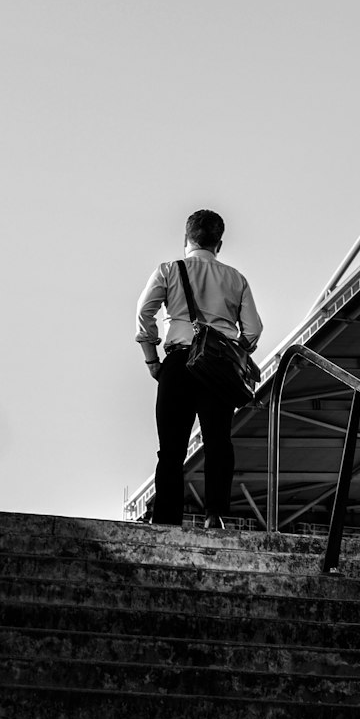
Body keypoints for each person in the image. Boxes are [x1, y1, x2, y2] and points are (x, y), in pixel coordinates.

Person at [136, 209, 263, 531]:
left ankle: (166, 520)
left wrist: (152, 360)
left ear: (186, 239)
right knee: (218, 441)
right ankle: (214, 515)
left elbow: (144, 314)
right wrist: (235, 349)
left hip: (178, 362)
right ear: (219, 244)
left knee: (171, 448)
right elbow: (253, 330)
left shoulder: (168, 270)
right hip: (218, 368)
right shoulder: (236, 278)